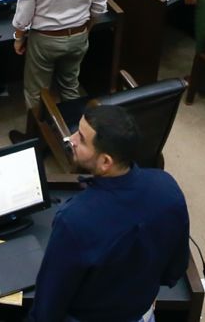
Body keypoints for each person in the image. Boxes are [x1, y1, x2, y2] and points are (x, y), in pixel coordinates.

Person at [30, 104, 190, 322]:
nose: (71, 139)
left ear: (106, 162)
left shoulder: (74, 220)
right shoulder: (168, 188)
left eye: (82, 139)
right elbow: (175, 270)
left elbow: (48, 306)